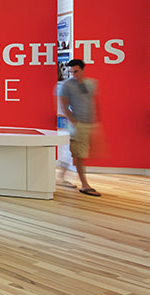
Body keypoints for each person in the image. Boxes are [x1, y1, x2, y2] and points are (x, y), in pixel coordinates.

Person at [58, 60, 101, 197]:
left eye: (76, 71)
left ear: (82, 70)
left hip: (89, 123)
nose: (73, 75)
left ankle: (60, 178)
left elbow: (92, 102)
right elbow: (64, 106)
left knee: (74, 152)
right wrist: (75, 123)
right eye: (71, 72)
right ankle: (85, 185)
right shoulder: (66, 85)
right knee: (80, 155)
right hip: (78, 124)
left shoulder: (91, 84)